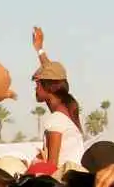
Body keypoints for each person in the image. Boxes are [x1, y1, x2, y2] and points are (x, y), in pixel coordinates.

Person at [31, 27, 84, 167]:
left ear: (49, 87)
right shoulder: (66, 114)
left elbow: (52, 167)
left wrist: (34, 165)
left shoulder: (55, 121)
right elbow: (52, 73)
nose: (35, 88)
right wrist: (39, 49)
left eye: (38, 84)